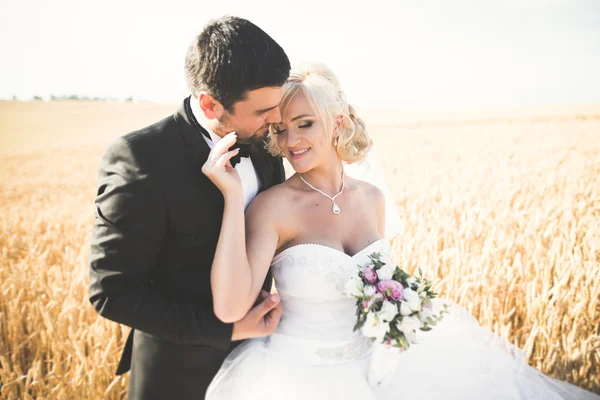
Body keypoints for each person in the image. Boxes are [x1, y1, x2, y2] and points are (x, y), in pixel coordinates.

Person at [202, 62, 600, 399]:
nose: (291, 141)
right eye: (281, 130)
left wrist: (397, 319)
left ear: (336, 122)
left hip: (387, 368)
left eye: (304, 124)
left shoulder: (371, 197)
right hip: (302, 375)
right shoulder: (273, 207)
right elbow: (232, 307)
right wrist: (234, 200)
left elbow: (381, 284)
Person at [88, 16, 290, 399]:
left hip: (263, 367)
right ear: (210, 105)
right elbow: (112, 290)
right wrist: (226, 330)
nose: (276, 119)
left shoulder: (263, 141)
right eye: (263, 110)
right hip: (177, 377)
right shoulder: (140, 158)